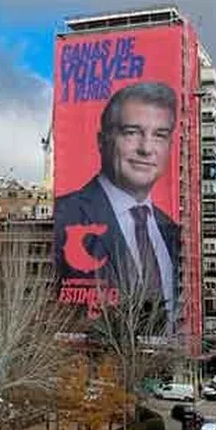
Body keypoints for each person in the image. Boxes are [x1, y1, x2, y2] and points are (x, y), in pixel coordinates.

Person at [54, 81, 180, 313]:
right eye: (131, 132)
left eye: (159, 135)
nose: (146, 148)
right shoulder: (64, 215)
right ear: (102, 142)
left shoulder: (173, 231)